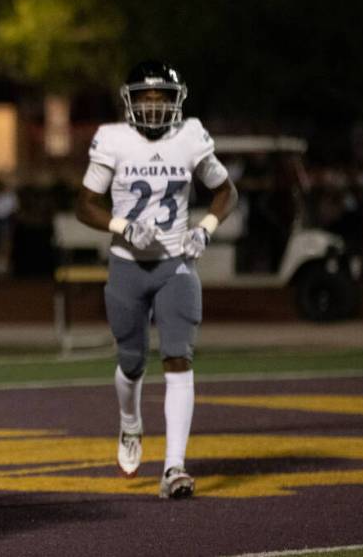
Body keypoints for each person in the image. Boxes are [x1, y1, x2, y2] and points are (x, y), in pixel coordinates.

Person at [75, 60, 238, 499]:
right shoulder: (113, 139)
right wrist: (121, 227)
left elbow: (226, 190)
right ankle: (130, 423)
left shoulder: (190, 136)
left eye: (160, 98)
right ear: (129, 101)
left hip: (176, 263)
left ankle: (174, 466)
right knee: (131, 362)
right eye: (144, 98)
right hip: (127, 264)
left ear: (176, 101)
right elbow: (85, 204)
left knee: (178, 358)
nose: (151, 106)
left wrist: (205, 227)